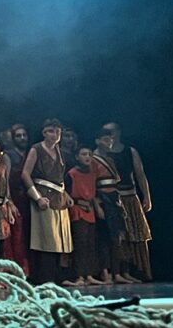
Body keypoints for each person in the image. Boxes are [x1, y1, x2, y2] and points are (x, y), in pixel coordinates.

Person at [21, 118, 73, 284]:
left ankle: (58, 277)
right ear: (44, 133)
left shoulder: (59, 150)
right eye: (51, 131)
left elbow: (59, 178)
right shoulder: (37, 149)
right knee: (46, 240)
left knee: (60, 239)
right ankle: (45, 279)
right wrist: (37, 197)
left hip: (59, 198)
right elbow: (25, 174)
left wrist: (67, 195)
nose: (55, 135)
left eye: (58, 131)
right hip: (43, 196)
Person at [102, 122, 153, 281]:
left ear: (119, 132)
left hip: (130, 197)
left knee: (138, 234)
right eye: (107, 132)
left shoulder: (130, 151)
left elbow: (140, 175)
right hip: (114, 199)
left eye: (112, 131)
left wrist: (147, 196)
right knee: (120, 237)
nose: (110, 135)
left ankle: (141, 270)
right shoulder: (102, 154)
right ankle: (122, 272)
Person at [92, 131, 136, 285]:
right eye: (105, 139)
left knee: (118, 237)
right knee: (104, 238)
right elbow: (91, 185)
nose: (109, 142)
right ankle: (106, 272)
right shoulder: (93, 159)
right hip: (102, 199)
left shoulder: (110, 159)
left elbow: (116, 180)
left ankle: (119, 272)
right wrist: (97, 205)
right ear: (97, 141)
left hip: (114, 198)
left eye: (111, 139)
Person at [64, 145, 104, 286]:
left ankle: (89, 274)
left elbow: (92, 193)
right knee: (80, 243)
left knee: (90, 243)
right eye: (84, 154)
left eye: (89, 154)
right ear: (77, 157)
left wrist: (97, 207)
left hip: (90, 210)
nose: (87, 157)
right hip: (77, 209)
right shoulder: (72, 173)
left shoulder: (92, 174)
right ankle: (79, 275)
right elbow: (65, 191)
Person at [3, 123, 31, 274]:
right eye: (18, 136)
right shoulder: (8, 155)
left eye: (24, 135)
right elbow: (5, 180)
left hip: (30, 199)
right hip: (16, 197)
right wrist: (9, 201)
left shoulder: (31, 152)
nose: (22, 138)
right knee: (18, 237)